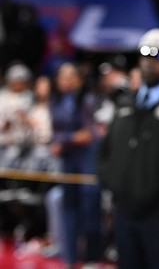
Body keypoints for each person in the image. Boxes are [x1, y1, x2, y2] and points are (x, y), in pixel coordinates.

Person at [96, 28, 159, 269]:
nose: (149, 62)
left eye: (158, 56)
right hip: (124, 214)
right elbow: (105, 151)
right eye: (145, 54)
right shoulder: (125, 104)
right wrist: (112, 181)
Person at [49, 61, 103, 268]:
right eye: (61, 76)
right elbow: (55, 132)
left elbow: (89, 135)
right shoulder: (55, 100)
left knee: (90, 205)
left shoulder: (87, 100)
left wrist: (64, 140)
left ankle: (93, 257)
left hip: (87, 159)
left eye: (69, 76)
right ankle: (70, 258)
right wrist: (69, 139)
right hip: (67, 160)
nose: (65, 80)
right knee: (68, 207)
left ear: (77, 79)